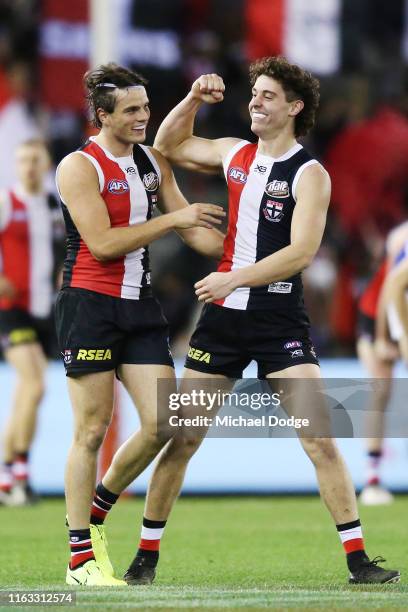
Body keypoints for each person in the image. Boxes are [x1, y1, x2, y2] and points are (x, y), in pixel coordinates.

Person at [91, 57, 400, 586]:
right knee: (183, 439)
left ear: (294, 108)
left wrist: (235, 278)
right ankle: (146, 556)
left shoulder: (309, 174)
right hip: (223, 323)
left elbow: (302, 252)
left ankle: (357, 560)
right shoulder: (236, 154)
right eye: (253, 93)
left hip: (280, 321)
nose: (254, 102)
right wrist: (191, 99)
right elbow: (169, 146)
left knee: (320, 440)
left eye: (267, 95)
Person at [55, 63, 225, 587]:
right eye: (130, 110)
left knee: (162, 423)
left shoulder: (153, 162)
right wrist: (173, 221)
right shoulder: (78, 167)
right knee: (91, 429)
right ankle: (79, 558)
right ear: (101, 116)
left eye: (146, 108)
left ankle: (97, 510)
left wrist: (256, 258)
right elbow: (103, 244)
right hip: (89, 305)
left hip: (139, 306)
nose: (142, 118)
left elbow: (198, 234)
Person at [0, 139, 63, 506]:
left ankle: (9, 477)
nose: (27, 166)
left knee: (29, 393)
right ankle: (19, 475)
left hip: (44, 309)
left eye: (34, 160)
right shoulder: (8, 201)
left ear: (45, 164)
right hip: (10, 307)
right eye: (21, 159)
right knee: (35, 384)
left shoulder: (53, 207)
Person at [356, 222, 408, 505]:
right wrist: (384, 338)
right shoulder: (401, 236)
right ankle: (372, 479)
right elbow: (392, 285)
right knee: (380, 389)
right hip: (378, 315)